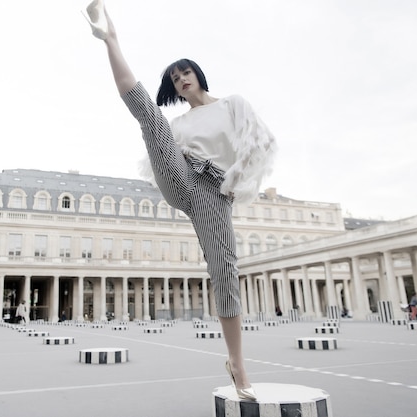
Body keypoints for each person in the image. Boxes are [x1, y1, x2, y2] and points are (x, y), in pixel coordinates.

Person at [83, 1, 276, 401]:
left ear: (198, 74)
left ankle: (236, 363)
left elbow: (260, 144)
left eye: (185, 71)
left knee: (224, 270)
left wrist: (236, 184)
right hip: (181, 178)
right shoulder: (178, 124)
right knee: (150, 120)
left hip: (214, 191)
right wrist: (110, 39)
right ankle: (110, 41)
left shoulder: (232, 104)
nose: (181, 79)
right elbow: (161, 137)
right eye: (174, 77)